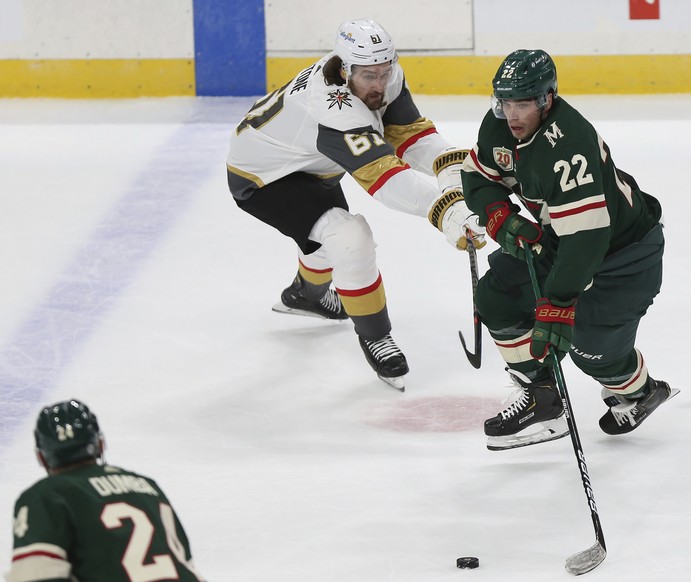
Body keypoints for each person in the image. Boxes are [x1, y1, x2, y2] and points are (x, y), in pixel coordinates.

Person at [226, 18, 485, 390]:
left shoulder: (378, 73)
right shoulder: (331, 108)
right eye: (368, 76)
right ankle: (376, 334)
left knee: (324, 238)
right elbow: (384, 177)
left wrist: (451, 169)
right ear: (345, 70)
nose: (379, 84)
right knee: (349, 237)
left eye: (384, 71)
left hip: (310, 163)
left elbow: (406, 133)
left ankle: (305, 294)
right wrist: (446, 211)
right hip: (263, 177)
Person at [461, 49, 678, 451]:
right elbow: (479, 175)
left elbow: (587, 239)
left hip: (625, 255)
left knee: (591, 352)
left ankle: (639, 393)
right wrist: (497, 213)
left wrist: (558, 302)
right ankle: (544, 401)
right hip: (561, 238)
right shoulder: (498, 127)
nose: (512, 114)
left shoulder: (569, 143)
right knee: (496, 296)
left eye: (523, 103)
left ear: (547, 99)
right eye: (505, 102)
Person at [6, 399, 205, 582]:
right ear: (100, 444)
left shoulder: (46, 496)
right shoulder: (148, 488)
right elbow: (185, 565)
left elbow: (35, 577)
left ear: (41, 457)